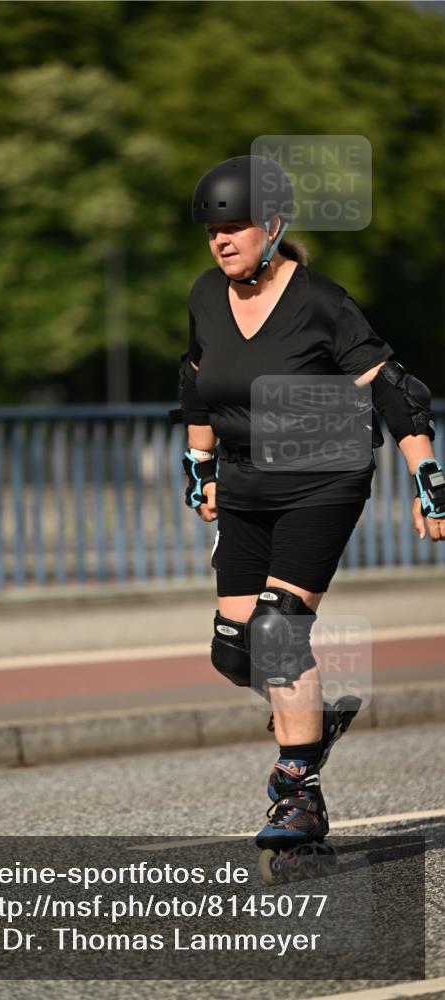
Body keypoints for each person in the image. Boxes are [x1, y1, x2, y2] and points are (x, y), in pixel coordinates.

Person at [171, 154, 445, 870]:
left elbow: (392, 387)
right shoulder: (205, 294)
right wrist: (199, 466)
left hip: (322, 479)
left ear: (272, 225)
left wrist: (428, 479)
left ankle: (298, 791)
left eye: (235, 228)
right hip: (243, 487)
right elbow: (195, 382)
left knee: (277, 631)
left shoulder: (319, 300)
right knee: (233, 652)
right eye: (212, 231)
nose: (222, 241)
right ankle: (312, 723)